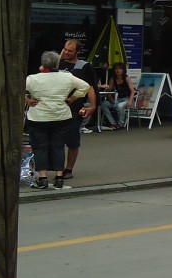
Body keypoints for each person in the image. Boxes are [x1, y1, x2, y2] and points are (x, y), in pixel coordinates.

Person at [25, 50, 90, 189]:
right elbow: (85, 86)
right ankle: (59, 177)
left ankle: (42, 177)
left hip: (38, 116)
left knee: (40, 147)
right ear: (58, 63)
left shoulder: (32, 79)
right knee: (58, 146)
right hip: (61, 116)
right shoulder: (67, 77)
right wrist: (72, 98)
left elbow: (16, 89)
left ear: (42, 64)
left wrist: (27, 100)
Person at [58, 38, 97, 180]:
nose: (66, 52)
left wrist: (92, 106)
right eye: (65, 49)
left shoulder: (84, 66)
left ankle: (68, 169)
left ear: (78, 52)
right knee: (56, 141)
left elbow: (90, 87)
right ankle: (57, 169)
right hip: (56, 109)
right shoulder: (57, 63)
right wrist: (60, 57)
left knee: (73, 141)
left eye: (70, 51)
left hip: (74, 109)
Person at [99, 61, 135, 129]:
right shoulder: (113, 79)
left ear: (123, 70)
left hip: (127, 99)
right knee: (103, 104)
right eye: (116, 69)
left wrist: (130, 101)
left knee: (120, 106)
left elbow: (132, 91)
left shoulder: (126, 78)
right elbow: (109, 90)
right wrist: (110, 98)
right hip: (118, 99)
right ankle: (113, 122)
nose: (118, 71)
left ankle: (120, 123)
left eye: (120, 69)